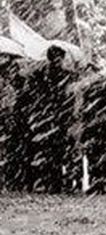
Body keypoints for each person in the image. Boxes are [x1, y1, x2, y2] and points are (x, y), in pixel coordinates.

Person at [23, 45, 78, 193]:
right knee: (47, 151)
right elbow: (33, 96)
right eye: (56, 58)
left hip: (59, 118)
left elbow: (71, 98)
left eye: (60, 58)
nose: (58, 61)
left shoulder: (68, 75)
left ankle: (57, 182)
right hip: (47, 118)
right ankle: (49, 182)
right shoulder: (39, 75)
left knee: (58, 151)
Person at [75, 64, 106, 194]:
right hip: (92, 125)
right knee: (92, 154)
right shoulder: (88, 87)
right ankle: (98, 182)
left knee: (100, 154)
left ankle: (103, 182)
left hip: (101, 125)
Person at [0, 58, 23, 190]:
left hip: (5, 119)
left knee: (5, 149)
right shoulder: (9, 88)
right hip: (5, 119)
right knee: (5, 149)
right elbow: (10, 106)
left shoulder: (9, 88)